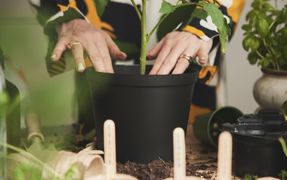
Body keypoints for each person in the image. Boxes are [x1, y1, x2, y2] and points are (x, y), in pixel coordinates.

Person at [29, 0, 244, 136]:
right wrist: (68, 17)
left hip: (187, 59)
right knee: (101, 146)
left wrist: (202, 27)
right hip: (99, 60)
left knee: (185, 146)